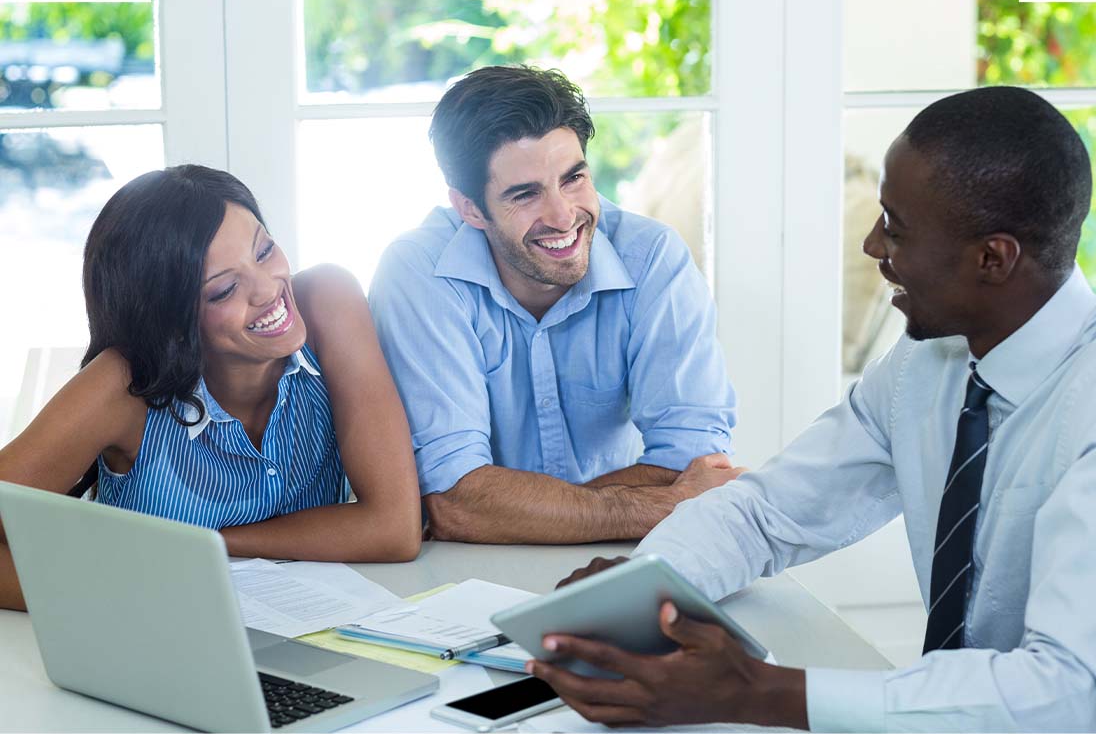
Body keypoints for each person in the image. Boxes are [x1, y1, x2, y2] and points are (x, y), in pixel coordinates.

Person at [528, 86, 1096, 731]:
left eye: (896, 227)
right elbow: (772, 511)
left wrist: (758, 691)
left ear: (993, 258)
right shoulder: (928, 365)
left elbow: (1070, 690)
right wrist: (646, 589)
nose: (874, 246)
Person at [0, 165, 422, 611]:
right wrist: (111, 590)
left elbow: (394, 528)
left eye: (264, 251)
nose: (268, 290)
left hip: (320, 628)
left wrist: (205, 547)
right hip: (170, 643)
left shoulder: (327, 302)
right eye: (223, 290)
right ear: (170, 321)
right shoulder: (124, 381)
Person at [369, 65, 740, 544]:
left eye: (574, 178)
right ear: (470, 209)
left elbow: (696, 466)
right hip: (469, 572)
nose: (563, 215)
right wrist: (655, 505)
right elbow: (454, 501)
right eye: (525, 194)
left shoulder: (652, 259)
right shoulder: (418, 271)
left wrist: (520, 510)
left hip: (622, 557)